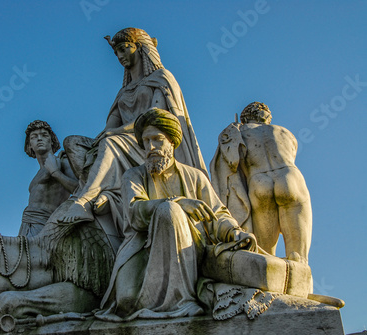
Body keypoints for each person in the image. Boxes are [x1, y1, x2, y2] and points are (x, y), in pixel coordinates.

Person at [96, 108, 256, 321]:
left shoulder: (195, 177)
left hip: (189, 249)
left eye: (157, 140)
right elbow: (135, 213)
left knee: (169, 211)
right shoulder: (133, 175)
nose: (151, 147)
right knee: (125, 300)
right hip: (143, 249)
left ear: (172, 142)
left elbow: (217, 214)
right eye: (146, 141)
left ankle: (182, 301)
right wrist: (180, 202)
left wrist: (234, 232)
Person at [59, 27, 207, 228]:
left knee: (111, 142)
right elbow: (109, 126)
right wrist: (98, 139)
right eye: (116, 52)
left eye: (124, 48)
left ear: (140, 48)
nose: (120, 56)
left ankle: (84, 201)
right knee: (73, 142)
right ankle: (107, 192)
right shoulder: (123, 91)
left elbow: (153, 117)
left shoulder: (161, 78)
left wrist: (114, 133)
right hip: (120, 140)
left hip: (147, 141)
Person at [210, 102, 312, 263]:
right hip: (289, 176)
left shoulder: (239, 132)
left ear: (245, 117)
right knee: (298, 257)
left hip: (258, 181)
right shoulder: (284, 132)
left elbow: (231, 164)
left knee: (265, 255)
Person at [18, 120, 78, 237]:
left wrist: (55, 172)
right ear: (29, 145)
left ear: (51, 141)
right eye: (34, 137)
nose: (39, 139)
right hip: (28, 224)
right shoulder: (37, 174)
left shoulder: (62, 161)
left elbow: (79, 189)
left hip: (47, 225)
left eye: (44, 135)